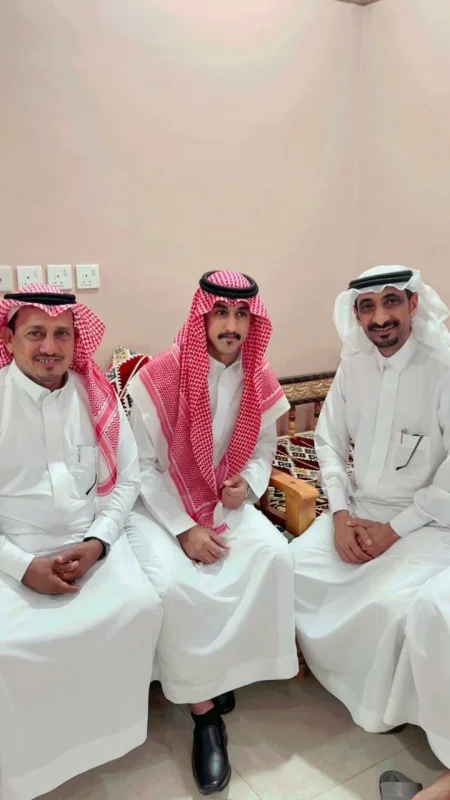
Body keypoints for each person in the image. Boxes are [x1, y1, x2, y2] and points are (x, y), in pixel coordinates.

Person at [126, 270, 298, 794]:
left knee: (272, 556)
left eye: (241, 314)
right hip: (161, 508)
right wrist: (183, 530)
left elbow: (264, 449)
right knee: (176, 586)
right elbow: (139, 468)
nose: (231, 325)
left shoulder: (258, 376)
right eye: (220, 312)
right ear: (201, 316)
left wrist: (250, 483)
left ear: (253, 321)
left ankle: (224, 673)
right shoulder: (160, 376)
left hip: (225, 504)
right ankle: (204, 714)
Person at [0, 285, 162, 800]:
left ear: (77, 340)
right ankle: (26, 768)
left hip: (89, 543)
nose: (50, 347)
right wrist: (21, 566)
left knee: (139, 607)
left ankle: (106, 740)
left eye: (62, 334)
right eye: (35, 333)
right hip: (10, 553)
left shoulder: (96, 396)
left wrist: (97, 543)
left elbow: (128, 481)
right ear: (9, 338)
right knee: (8, 648)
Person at [292, 265, 450, 748]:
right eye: (367, 307)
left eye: (391, 302)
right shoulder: (354, 366)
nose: (380, 318)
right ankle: (322, 666)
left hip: (427, 522)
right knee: (290, 565)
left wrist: (393, 530)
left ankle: (378, 707)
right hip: (357, 510)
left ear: (413, 304)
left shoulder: (443, 366)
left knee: (391, 606)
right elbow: (328, 441)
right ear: (356, 314)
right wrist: (340, 515)